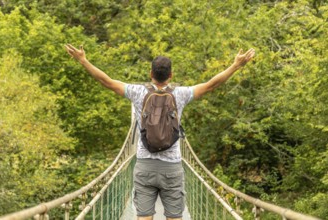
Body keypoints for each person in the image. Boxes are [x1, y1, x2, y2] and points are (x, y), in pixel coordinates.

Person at [65, 44, 255, 220]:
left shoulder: (137, 92)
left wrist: (83, 60)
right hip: (172, 168)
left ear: (151, 74)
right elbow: (212, 84)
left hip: (144, 166)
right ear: (171, 75)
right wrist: (236, 65)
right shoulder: (180, 94)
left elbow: (105, 81)